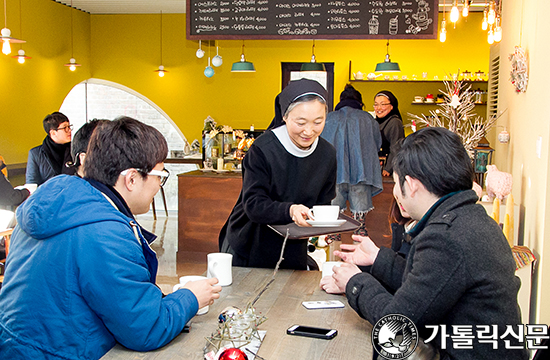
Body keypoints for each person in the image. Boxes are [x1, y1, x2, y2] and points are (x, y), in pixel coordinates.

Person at [0, 117, 222, 359]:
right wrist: (190, 297)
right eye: (160, 175)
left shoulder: (51, 200)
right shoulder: (105, 232)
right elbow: (145, 329)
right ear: (131, 179)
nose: (159, 185)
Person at [326, 127, 527, 359]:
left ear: (410, 185)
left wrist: (354, 282)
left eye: (396, 184)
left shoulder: (446, 236)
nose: (396, 195)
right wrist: (378, 258)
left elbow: (398, 326)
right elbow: (431, 286)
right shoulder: (472, 218)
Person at [219, 78, 337, 270]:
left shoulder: (327, 154)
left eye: (318, 122)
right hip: (250, 243)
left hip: (293, 244)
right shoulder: (263, 149)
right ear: (285, 116)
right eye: (300, 122)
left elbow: (323, 202)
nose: (309, 131)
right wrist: (291, 210)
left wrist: (320, 225)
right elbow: (253, 204)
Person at [321, 84, 383, 237]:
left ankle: (332, 255)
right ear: (360, 102)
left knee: (333, 223)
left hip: (333, 174)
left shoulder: (329, 118)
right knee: (359, 226)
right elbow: (377, 143)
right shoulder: (368, 119)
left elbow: (320, 145)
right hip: (360, 173)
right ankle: (360, 255)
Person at [26, 111, 76, 185]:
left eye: (69, 127)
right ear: (53, 133)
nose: (69, 131)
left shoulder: (75, 149)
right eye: (65, 128)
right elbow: (32, 183)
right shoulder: (35, 154)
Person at [373, 91, 404, 177]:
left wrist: (388, 168)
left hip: (388, 170)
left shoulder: (394, 122)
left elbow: (396, 147)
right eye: (376, 104)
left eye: (383, 104)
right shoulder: (375, 122)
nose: (378, 108)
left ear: (391, 106)